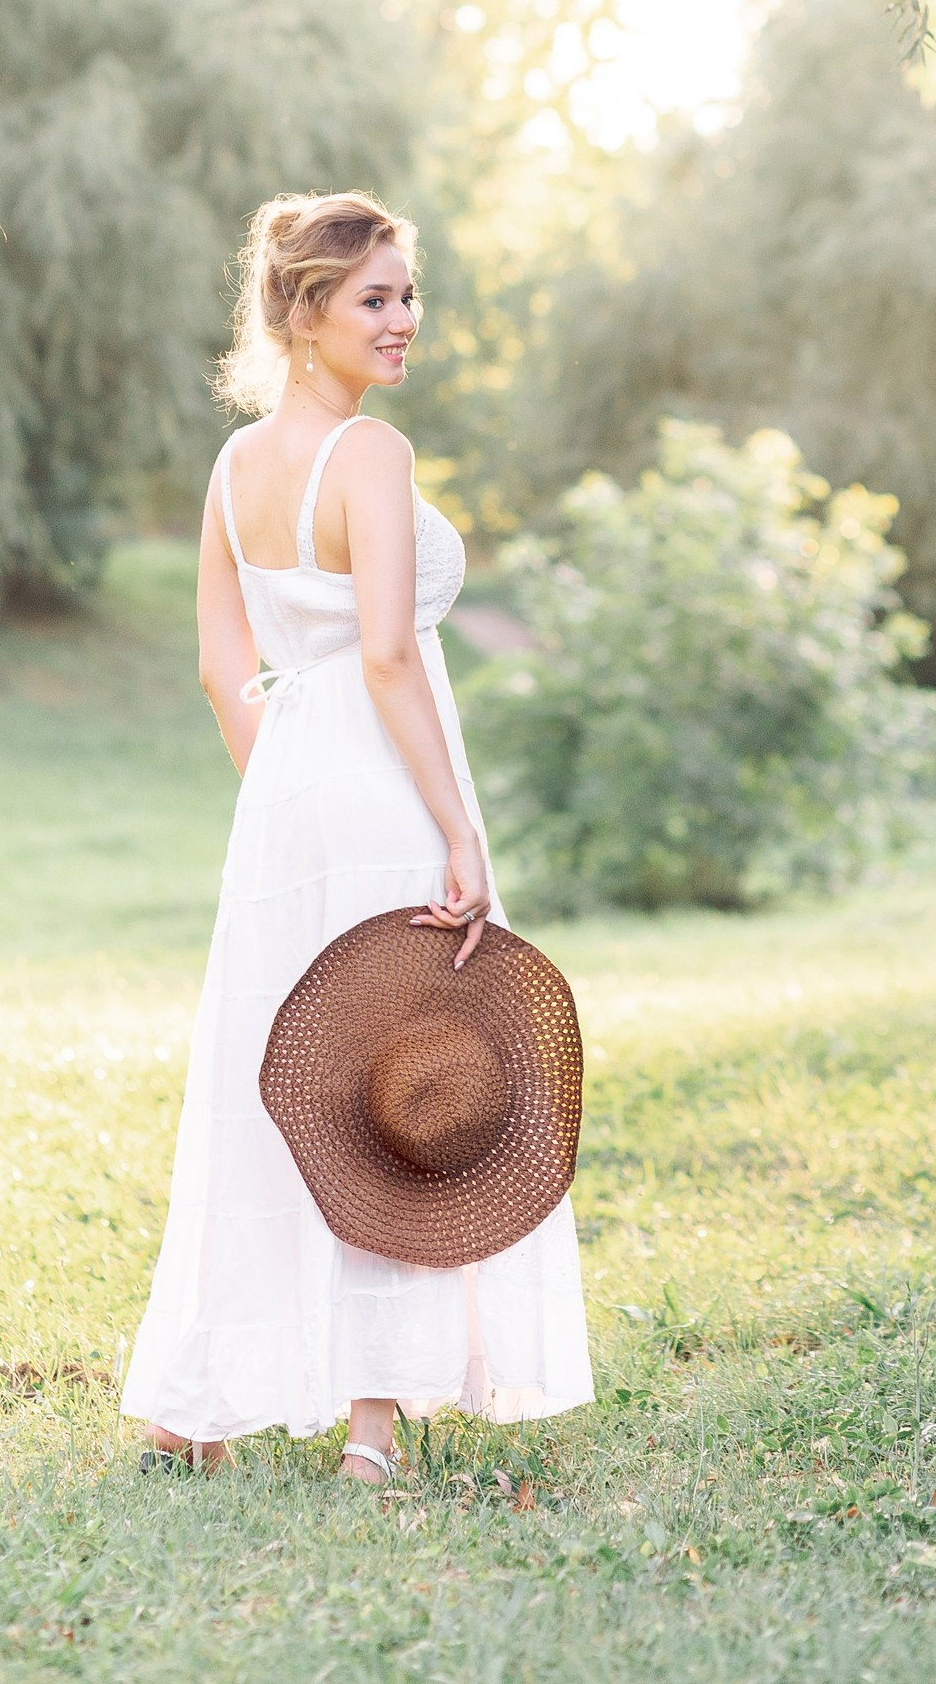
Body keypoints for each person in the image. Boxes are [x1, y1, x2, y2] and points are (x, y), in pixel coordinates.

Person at [120, 191, 594, 1481]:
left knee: (274, 1086)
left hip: (282, 799)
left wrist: (285, 799)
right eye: (375, 298)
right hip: (386, 788)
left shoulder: (233, 471)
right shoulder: (370, 458)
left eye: (407, 293)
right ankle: (371, 1436)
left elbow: (227, 675)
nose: (404, 320)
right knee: (400, 1086)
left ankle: (198, 1404)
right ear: (303, 311)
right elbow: (389, 655)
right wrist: (457, 833)